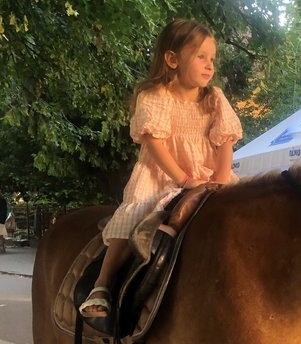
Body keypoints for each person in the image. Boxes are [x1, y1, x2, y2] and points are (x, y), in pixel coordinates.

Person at [79, 19, 242, 317]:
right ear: (172, 59)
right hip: (162, 174)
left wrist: (220, 181)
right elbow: (155, 144)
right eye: (201, 57)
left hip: (208, 175)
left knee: (245, 212)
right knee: (133, 214)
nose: (210, 66)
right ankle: (101, 286)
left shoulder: (214, 99)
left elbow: (225, 142)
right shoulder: (155, 95)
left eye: (212, 59)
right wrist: (183, 179)